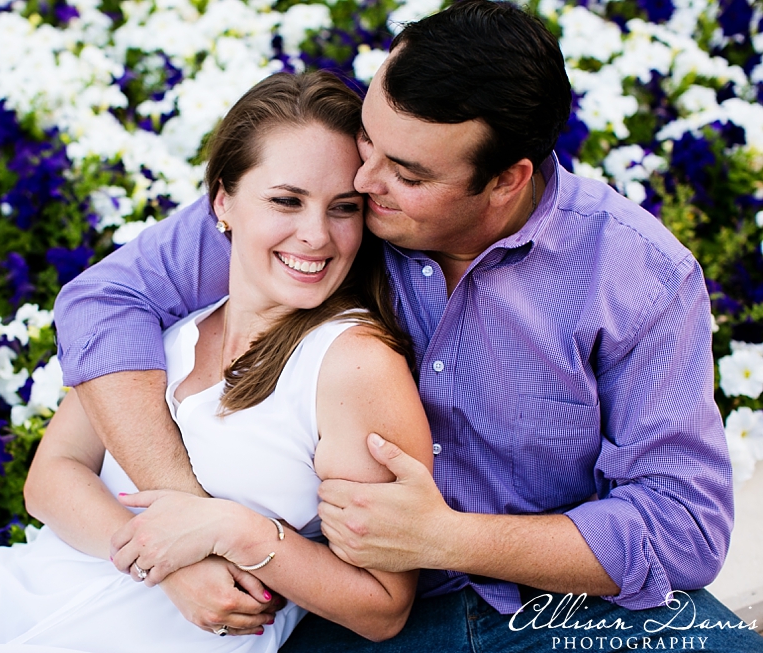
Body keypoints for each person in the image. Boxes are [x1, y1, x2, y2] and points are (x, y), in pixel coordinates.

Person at [52, 1, 763, 651]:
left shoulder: (636, 276)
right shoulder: (329, 216)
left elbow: (683, 523)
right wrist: (184, 518)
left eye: (408, 173)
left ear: (508, 180)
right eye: (368, 138)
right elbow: (103, 302)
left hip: (561, 608)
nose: (362, 182)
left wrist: (447, 536)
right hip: (346, 613)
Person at [0, 71, 435, 653]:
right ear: (222, 202)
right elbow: (51, 477)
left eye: (343, 209)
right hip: (5, 597)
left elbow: (382, 607)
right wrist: (171, 561)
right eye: (286, 201)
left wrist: (236, 529)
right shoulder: (168, 329)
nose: (317, 235)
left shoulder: (351, 361)